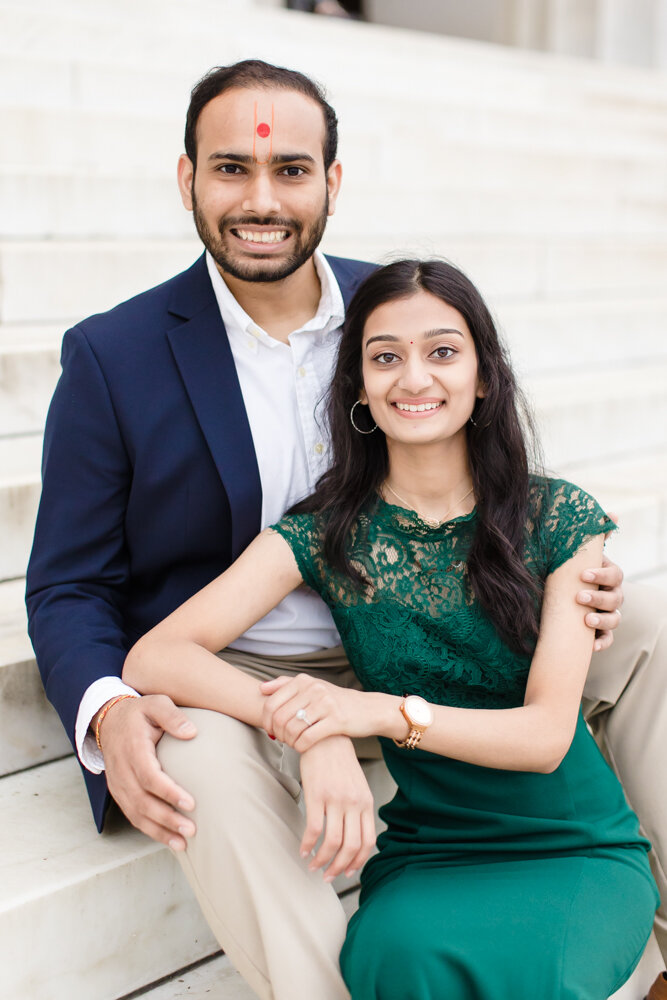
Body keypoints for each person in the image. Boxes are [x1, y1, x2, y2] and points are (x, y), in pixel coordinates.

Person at [25, 60, 666, 1000]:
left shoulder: (394, 311)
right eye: (230, 169)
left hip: (423, 628)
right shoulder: (114, 355)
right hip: (237, 665)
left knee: (649, 625)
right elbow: (68, 585)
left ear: (331, 182)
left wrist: (564, 567)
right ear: (187, 178)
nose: (260, 197)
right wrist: (113, 707)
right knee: (188, 757)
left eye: (289, 170)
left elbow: (488, 466)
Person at [122, 258, 658, 999]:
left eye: (442, 352)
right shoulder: (323, 535)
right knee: (391, 963)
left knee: (536, 977)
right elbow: (157, 654)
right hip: (432, 852)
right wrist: (315, 729)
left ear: (482, 380)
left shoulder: (558, 518)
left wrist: (368, 712)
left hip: (569, 846)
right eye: (385, 357)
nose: (413, 378)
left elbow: (542, 739)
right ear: (359, 392)